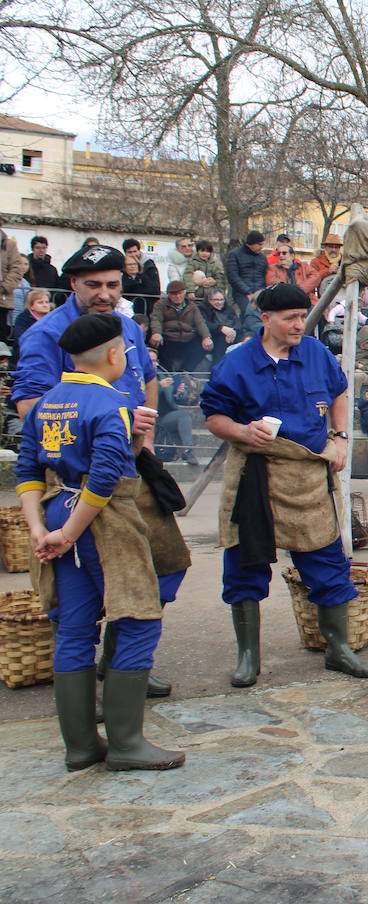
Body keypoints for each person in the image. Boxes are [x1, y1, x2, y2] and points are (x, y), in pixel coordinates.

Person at [14, 245, 187, 700]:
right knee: (83, 599)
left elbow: (147, 377)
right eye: (94, 285)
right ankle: (103, 673)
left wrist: (143, 437)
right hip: (79, 476)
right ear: (72, 283)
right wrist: (102, 428)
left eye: (113, 284)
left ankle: (120, 662)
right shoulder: (47, 333)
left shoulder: (126, 326)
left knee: (166, 567)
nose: (105, 294)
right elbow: (31, 406)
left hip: (134, 469)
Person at [200, 281, 368, 687]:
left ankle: (338, 648)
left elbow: (340, 392)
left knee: (328, 564)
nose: (299, 325)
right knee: (244, 566)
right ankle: (248, 656)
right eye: (290, 318)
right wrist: (242, 432)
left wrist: (340, 436)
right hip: (255, 475)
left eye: (302, 316)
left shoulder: (314, 353)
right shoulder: (237, 362)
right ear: (266, 319)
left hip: (309, 473)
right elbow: (214, 417)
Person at [149, 281, 213, 372]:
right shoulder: (160, 304)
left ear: (184, 292)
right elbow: (156, 319)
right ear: (169, 295)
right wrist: (156, 333)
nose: (178, 296)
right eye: (174, 294)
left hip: (187, 338)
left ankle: (185, 372)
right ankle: (168, 372)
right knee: (156, 343)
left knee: (202, 346)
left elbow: (200, 323)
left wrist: (206, 337)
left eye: (180, 293)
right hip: (168, 338)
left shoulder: (192, 306)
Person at [225, 231, 267, 310]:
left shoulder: (263, 257)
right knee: (248, 313)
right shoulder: (234, 255)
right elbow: (233, 277)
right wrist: (247, 292)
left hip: (260, 293)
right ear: (251, 244)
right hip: (241, 294)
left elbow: (264, 276)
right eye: (259, 244)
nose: (262, 247)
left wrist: (262, 291)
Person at [201, 289, 242, 366]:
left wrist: (232, 332)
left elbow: (237, 323)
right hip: (213, 336)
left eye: (221, 299)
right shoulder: (203, 309)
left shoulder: (229, 309)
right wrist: (221, 328)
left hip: (231, 336)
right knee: (221, 342)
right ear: (209, 300)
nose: (219, 302)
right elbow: (204, 324)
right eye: (216, 300)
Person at [183, 239, 228, 304]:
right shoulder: (193, 263)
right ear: (197, 251)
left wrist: (215, 282)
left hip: (212, 296)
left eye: (207, 251)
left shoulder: (215, 264)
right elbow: (187, 277)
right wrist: (190, 291)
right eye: (202, 251)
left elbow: (221, 278)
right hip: (196, 296)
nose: (205, 253)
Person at [25, 235, 63, 306]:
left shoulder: (52, 269)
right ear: (32, 249)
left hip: (47, 303)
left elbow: (56, 287)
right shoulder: (26, 267)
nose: (41, 250)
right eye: (38, 248)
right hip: (29, 303)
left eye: (44, 248)